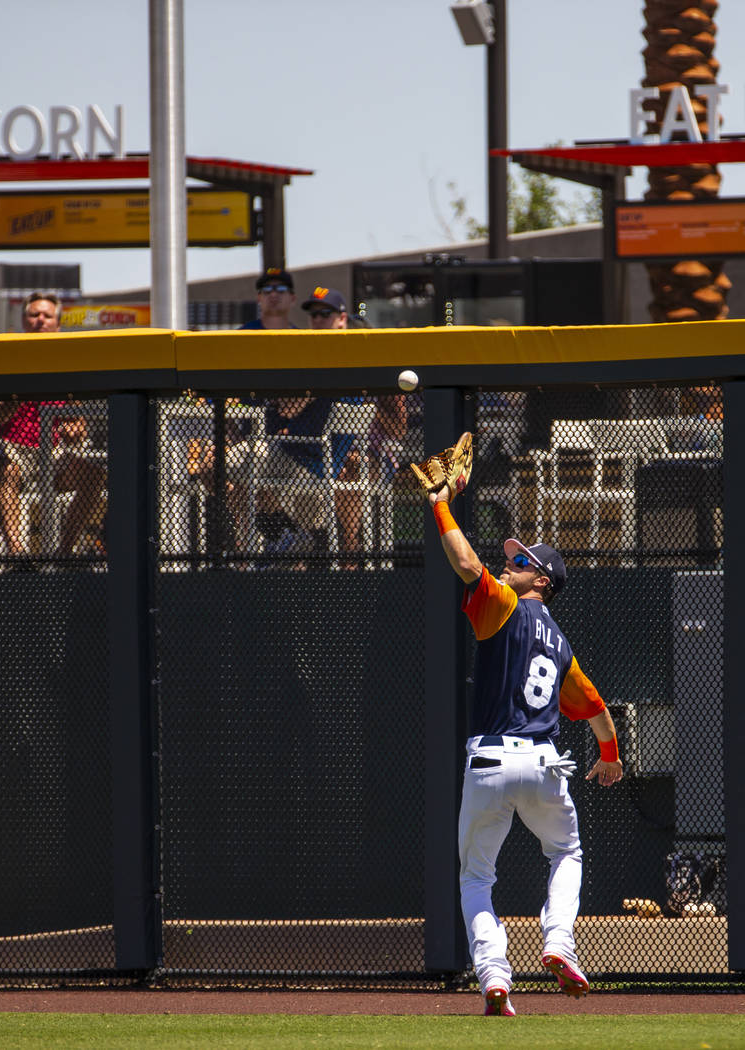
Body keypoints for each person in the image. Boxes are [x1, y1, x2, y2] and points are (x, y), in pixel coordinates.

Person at [425, 480, 623, 1016]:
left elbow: (465, 562)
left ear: (541, 580)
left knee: (475, 876)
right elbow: (598, 710)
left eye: (521, 562)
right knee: (566, 851)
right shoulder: (561, 645)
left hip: (489, 761)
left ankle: (493, 976)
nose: (508, 565)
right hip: (544, 764)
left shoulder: (505, 603)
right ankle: (559, 944)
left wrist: (440, 504)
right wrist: (610, 757)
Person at [0, 293, 106, 559]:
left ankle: (64, 552)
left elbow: (78, 426)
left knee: (93, 475)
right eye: (34, 315)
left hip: (50, 455)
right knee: (8, 471)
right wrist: (23, 386)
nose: (40, 320)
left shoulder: (65, 365)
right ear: (23, 321)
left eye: (47, 316)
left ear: (57, 325)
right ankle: (17, 555)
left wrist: (75, 431)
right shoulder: (6, 357)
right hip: (9, 449)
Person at [301, 286, 408, 558]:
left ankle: (350, 555)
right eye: (313, 315)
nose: (318, 320)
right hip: (316, 453)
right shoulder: (304, 357)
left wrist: (368, 405)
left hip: (373, 456)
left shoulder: (377, 367)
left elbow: (399, 429)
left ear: (342, 320)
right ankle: (307, 546)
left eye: (325, 314)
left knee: (352, 464)